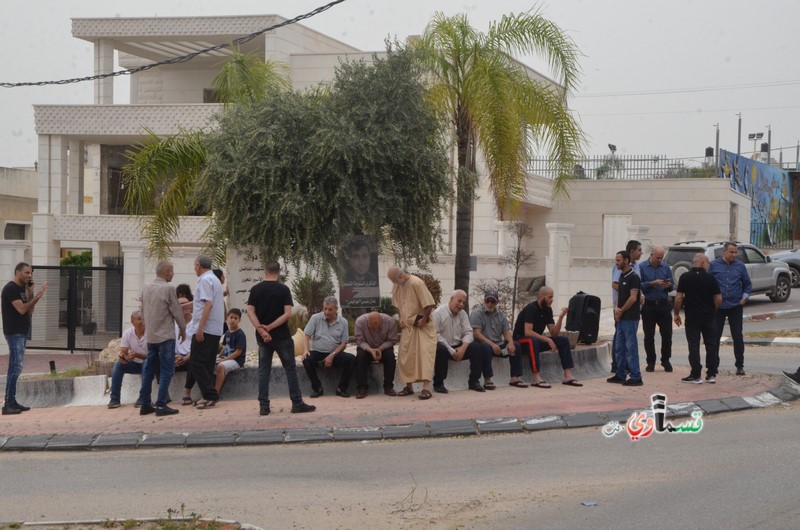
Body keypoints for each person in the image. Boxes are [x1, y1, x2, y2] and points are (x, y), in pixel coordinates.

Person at [246, 261, 315, 415]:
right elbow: (287, 314)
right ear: (279, 272)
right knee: (290, 369)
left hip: (262, 338)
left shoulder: (256, 289)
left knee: (264, 370)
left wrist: (262, 330)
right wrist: (270, 327)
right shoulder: (283, 289)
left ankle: (264, 406)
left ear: (265, 271)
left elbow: (250, 311)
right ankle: (297, 403)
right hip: (282, 336)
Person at [137, 260, 186, 416]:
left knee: (149, 371)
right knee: (167, 370)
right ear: (166, 272)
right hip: (166, 337)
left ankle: (144, 404)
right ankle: (161, 405)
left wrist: (148, 330)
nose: (173, 273)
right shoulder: (169, 289)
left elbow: (142, 311)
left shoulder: (146, 288)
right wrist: (183, 329)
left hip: (151, 337)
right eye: (171, 271)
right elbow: (177, 312)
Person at [514, 286, 583, 387]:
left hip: (535, 341)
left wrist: (560, 317)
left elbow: (554, 333)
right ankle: (536, 378)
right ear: (541, 297)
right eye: (550, 297)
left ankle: (567, 375)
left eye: (552, 297)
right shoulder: (531, 308)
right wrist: (547, 340)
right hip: (519, 342)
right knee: (532, 341)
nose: (552, 300)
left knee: (563, 340)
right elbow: (528, 332)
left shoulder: (547, 310)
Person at [2, 262, 47, 415]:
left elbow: (29, 311)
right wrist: (38, 296)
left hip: (21, 331)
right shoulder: (10, 289)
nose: (30, 275)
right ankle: (8, 403)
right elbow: (21, 309)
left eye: (31, 273)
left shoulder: (22, 289)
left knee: (16, 367)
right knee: (16, 366)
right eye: (27, 273)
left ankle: (12, 401)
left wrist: (32, 293)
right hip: (14, 332)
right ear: (18, 272)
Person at [387, 266, 436, 400]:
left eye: (395, 281)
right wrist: (401, 318)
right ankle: (409, 387)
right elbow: (397, 304)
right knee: (406, 357)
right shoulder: (398, 285)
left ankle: (426, 388)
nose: (395, 285)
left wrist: (424, 319)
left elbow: (429, 304)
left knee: (424, 356)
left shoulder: (416, 283)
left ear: (401, 276)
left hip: (421, 326)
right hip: (407, 326)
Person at [432, 290, 494, 393]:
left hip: (459, 346)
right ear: (451, 299)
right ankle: (438, 383)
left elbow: (469, 332)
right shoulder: (438, 313)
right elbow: (435, 335)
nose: (461, 305)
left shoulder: (463, 314)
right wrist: (451, 350)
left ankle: (474, 381)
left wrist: (463, 348)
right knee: (440, 349)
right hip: (445, 346)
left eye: (463, 302)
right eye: (459, 301)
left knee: (477, 347)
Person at [673, 253, 721, 384]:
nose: (708, 265)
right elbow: (718, 298)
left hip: (692, 317)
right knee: (711, 345)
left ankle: (696, 374)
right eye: (708, 263)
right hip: (708, 316)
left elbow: (678, 297)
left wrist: (676, 313)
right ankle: (711, 374)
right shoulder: (710, 278)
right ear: (703, 263)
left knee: (693, 345)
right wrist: (713, 310)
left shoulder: (685, 277)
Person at [187, 255, 225, 409]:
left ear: (198, 265)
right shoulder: (214, 279)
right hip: (215, 329)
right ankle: (207, 396)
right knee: (207, 362)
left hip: (206, 328)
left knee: (195, 361)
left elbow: (207, 304)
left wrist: (200, 328)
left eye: (194, 266)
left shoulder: (204, 280)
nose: (194, 268)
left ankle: (210, 395)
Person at [471, 288, 528, 388]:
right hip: (486, 347)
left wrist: (510, 342)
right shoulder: (477, 313)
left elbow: (506, 332)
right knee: (485, 348)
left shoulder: (501, 315)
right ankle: (487, 379)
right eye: (487, 301)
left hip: (499, 351)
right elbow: (477, 334)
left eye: (492, 301)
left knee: (516, 346)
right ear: (484, 301)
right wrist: (492, 344)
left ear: (497, 302)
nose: (489, 304)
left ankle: (514, 377)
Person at [709, 241, 751, 376]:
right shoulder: (714, 265)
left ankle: (740, 365)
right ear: (724, 252)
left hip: (735, 306)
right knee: (715, 337)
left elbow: (747, 284)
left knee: (737, 336)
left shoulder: (740, 266)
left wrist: (744, 298)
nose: (734, 255)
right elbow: (708, 283)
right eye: (731, 252)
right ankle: (713, 366)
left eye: (735, 252)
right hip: (718, 307)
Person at [302, 296, 355, 398]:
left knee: (351, 359)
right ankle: (317, 388)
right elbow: (306, 335)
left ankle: (341, 388)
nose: (326, 312)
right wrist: (305, 350)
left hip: (335, 353)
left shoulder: (343, 322)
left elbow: (344, 343)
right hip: (317, 351)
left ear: (336, 309)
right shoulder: (315, 318)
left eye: (330, 309)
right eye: (324, 309)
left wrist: (332, 355)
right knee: (306, 359)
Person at [608, 250, 643, 386]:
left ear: (626, 260)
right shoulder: (622, 276)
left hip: (630, 317)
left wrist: (621, 310)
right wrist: (617, 309)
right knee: (619, 347)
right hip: (621, 317)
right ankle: (620, 374)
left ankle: (635, 376)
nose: (617, 263)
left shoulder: (633, 277)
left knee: (631, 347)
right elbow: (619, 295)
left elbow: (633, 298)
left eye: (619, 260)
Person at [639, 246, 674, 373]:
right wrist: (651, 283)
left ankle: (666, 360)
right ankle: (650, 361)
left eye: (661, 258)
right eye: (657, 257)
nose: (659, 260)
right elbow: (638, 285)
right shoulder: (642, 267)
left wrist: (668, 285)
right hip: (649, 304)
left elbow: (672, 286)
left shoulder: (665, 267)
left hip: (663, 304)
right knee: (649, 335)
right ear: (651, 255)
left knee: (667, 334)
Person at [354, 311, 399, 398]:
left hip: (383, 347)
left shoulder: (390, 321)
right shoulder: (360, 322)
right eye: (372, 327)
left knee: (390, 356)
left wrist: (380, 349)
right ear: (368, 322)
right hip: (367, 347)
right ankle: (362, 388)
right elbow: (360, 341)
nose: (375, 329)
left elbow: (392, 340)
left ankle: (388, 387)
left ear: (381, 321)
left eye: (378, 327)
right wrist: (371, 350)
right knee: (360, 357)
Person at [108, 310, 147, 408]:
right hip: (134, 364)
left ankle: (143, 398)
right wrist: (123, 358)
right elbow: (123, 351)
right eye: (138, 319)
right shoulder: (127, 333)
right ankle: (114, 399)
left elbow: (152, 356)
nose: (141, 321)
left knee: (147, 362)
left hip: (149, 364)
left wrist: (136, 355)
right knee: (118, 364)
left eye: (143, 319)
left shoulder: (150, 333)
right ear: (132, 322)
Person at [215, 308, 246, 395]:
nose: (233, 320)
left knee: (221, 366)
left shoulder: (240, 334)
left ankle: (215, 393)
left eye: (236, 318)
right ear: (227, 318)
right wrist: (219, 356)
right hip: (227, 358)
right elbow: (225, 347)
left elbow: (238, 352)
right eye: (231, 317)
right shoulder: (227, 333)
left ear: (239, 320)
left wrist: (224, 360)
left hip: (237, 361)